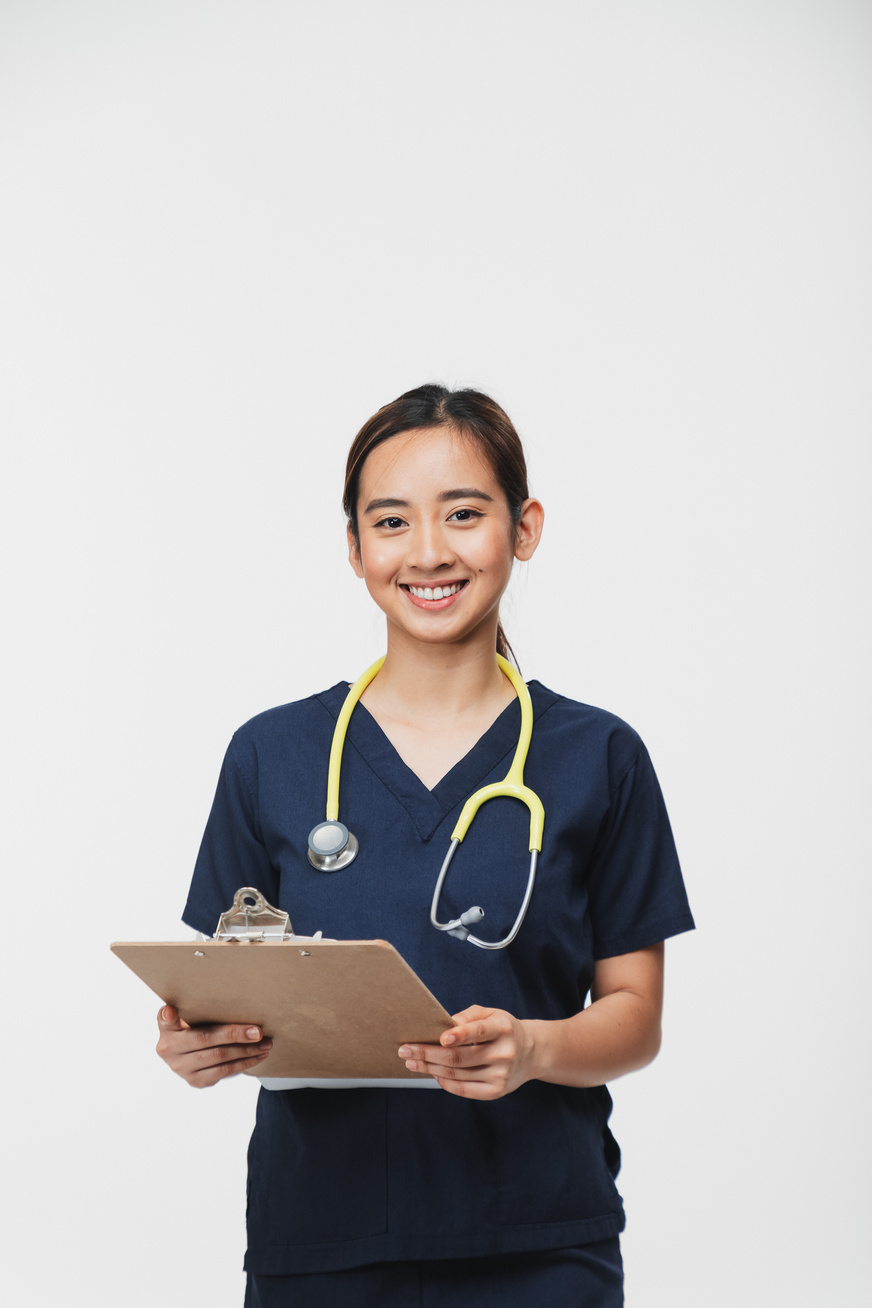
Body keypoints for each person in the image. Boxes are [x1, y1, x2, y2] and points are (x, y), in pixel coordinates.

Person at [156, 383, 694, 1306]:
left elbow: (635, 1015)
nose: (430, 552)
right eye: (392, 521)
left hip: (538, 1243)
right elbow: (221, 989)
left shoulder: (599, 757)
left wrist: (530, 1047)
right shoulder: (271, 756)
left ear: (523, 529)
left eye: (465, 513)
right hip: (320, 1242)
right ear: (356, 547)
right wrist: (195, 1045)